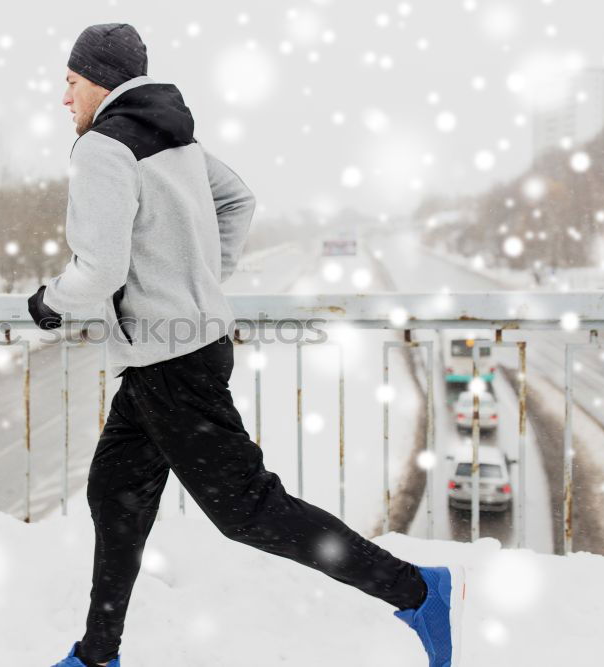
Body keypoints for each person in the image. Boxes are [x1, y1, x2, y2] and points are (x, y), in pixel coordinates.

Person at [26, 23, 465, 667]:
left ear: (99, 78)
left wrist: (46, 303)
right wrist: (204, 278)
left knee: (250, 510)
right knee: (114, 491)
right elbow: (238, 199)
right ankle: (97, 653)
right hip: (175, 356)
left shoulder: (102, 148)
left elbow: (99, 270)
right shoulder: (171, 137)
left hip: (168, 364)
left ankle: (419, 590)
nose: (64, 98)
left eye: (70, 82)